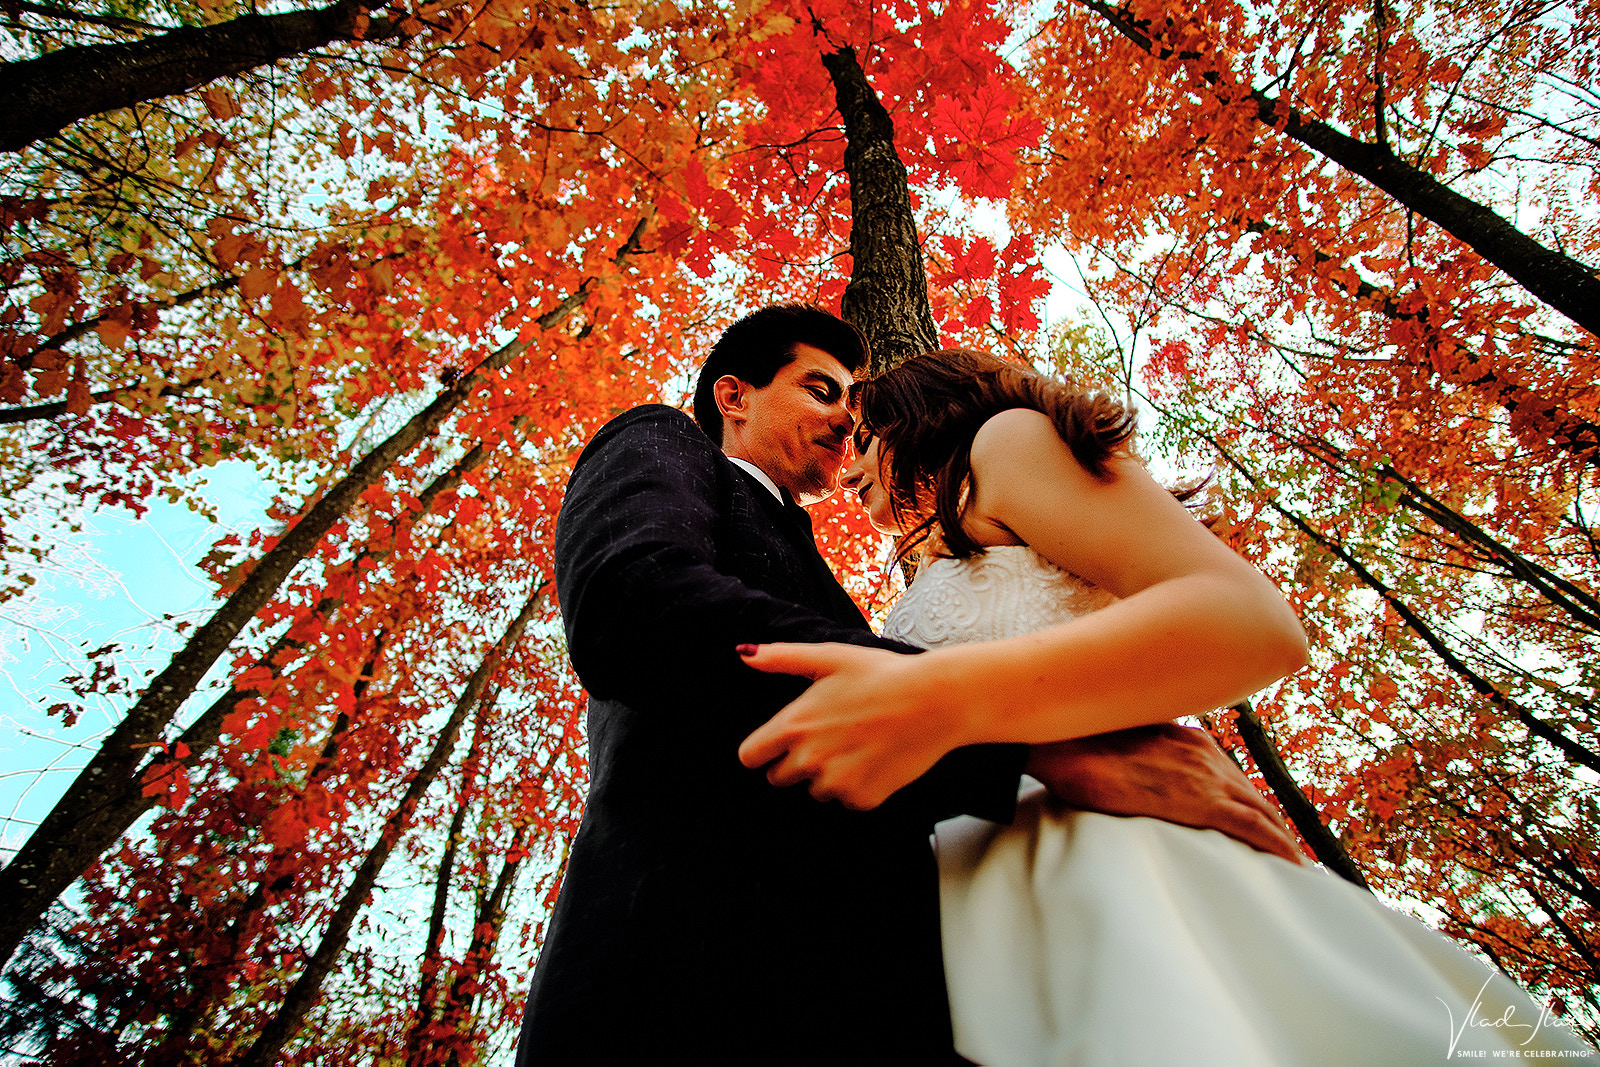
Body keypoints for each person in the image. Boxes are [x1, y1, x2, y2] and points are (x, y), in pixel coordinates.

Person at [739, 348, 1595, 1064]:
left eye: (864, 435)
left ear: (912, 418)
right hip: (969, 897)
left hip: (1103, 855)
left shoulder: (1004, 444)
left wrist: (942, 699)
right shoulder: (941, 557)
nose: (847, 464)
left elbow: (1248, 623)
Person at [514, 307, 1305, 1064]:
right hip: (680, 972)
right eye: (821, 389)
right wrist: (1026, 747)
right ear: (734, 396)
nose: (845, 424)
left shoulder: (868, 580)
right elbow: (637, 598)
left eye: (858, 412)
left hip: (892, 993)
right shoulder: (665, 442)